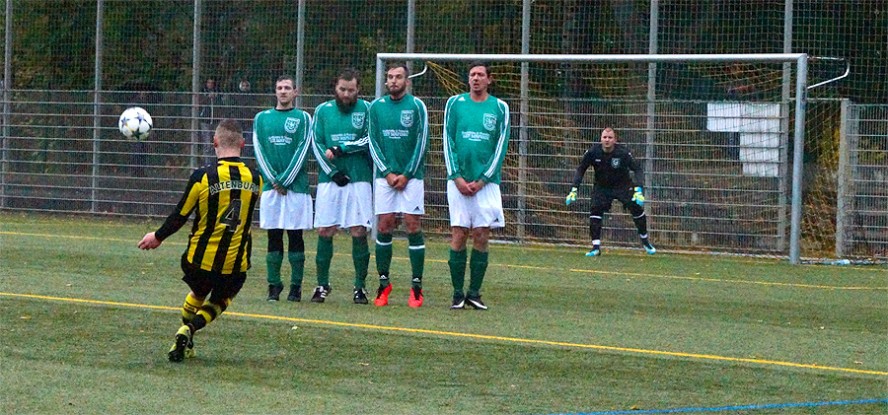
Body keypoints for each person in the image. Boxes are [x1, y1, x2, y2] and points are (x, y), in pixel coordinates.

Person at [137, 119, 262, 362]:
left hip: (197, 261)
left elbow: (180, 215)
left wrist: (157, 236)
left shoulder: (202, 177)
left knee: (199, 289)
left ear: (214, 142)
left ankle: (186, 334)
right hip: (235, 264)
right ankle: (190, 328)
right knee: (221, 298)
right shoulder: (256, 179)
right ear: (243, 145)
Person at [442, 61, 510, 311]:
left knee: (481, 234)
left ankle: (474, 293)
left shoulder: (500, 107)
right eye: (472, 75)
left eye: (481, 74)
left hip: (487, 183)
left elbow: (501, 147)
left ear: (489, 80)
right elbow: (447, 140)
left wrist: (482, 179)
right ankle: (457, 293)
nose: (476, 78)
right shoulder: (454, 103)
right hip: (458, 180)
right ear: (468, 79)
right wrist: (456, 176)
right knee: (459, 234)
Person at [367, 62, 429, 308]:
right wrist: (387, 172)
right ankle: (384, 283)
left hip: (411, 177)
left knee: (413, 225)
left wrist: (405, 173)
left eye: (398, 77)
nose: (393, 80)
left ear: (407, 81)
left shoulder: (417, 106)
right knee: (384, 225)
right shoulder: (376, 107)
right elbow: (373, 140)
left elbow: (421, 142)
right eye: (390, 77)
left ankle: (416, 286)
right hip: (385, 178)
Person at [310, 68, 373, 304]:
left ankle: (360, 287)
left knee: (359, 230)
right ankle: (322, 285)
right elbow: (316, 144)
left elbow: (370, 139)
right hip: (330, 181)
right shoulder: (322, 111)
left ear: (358, 90)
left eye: (351, 90)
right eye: (342, 89)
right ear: (335, 88)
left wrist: (342, 148)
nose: (346, 94)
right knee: (325, 230)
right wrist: (332, 172)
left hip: (359, 177)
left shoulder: (367, 109)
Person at [252, 75, 314, 302]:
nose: (283, 91)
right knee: (273, 235)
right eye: (279, 87)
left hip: (295, 188)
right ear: (275, 91)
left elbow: (303, 148)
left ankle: (296, 287)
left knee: (296, 236)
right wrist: (273, 179)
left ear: (295, 92)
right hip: (271, 188)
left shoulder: (303, 118)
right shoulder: (261, 118)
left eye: (287, 88)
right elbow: (259, 150)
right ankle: (274, 285)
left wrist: (285, 179)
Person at [565, 127, 656, 256]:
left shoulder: (623, 153)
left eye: (610, 138)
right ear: (601, 139)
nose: (607, 140)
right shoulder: (593, 152)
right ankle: (595, 247)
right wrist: (574, 189)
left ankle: (645, 241)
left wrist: (639, 189)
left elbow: (637, 170)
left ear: (615, 140)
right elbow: (581, 169)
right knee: (595, 210)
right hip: (602, 187)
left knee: (636, 208)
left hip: (623, 186)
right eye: (605, 137)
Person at [199, 78, 224, 158]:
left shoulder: (218, 92)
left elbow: (221, 105)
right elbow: (199, 102)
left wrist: (215, 97)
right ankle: (207, 162)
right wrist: (208, 97)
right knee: (207, 142)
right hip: (205, 120)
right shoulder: (202, 92)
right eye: (209, 83)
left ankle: (215, 160)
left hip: (216, 121)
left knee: (216, 142)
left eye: (212, 83)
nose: (210, 84)